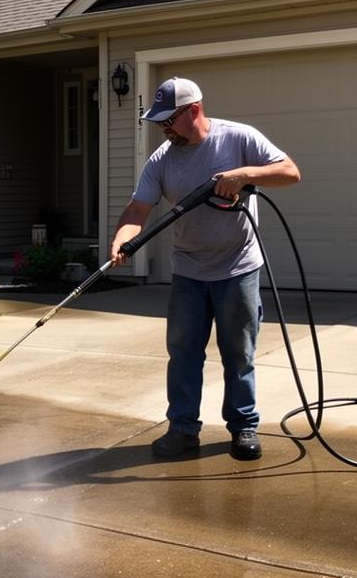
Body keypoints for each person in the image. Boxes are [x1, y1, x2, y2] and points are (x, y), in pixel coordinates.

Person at [110, 77, 300, 461]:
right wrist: (121, 238)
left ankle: (243, 425)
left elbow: (290, 171)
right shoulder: (162, 159)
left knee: (238, 353)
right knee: (182, 353)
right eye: (159, 122)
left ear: (193, 111)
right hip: (189, 271)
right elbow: (137, 209)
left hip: (238, 267)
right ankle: (182, 429)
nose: (163, 129)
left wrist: (244, 174)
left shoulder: (239, 138)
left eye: (169, 120)